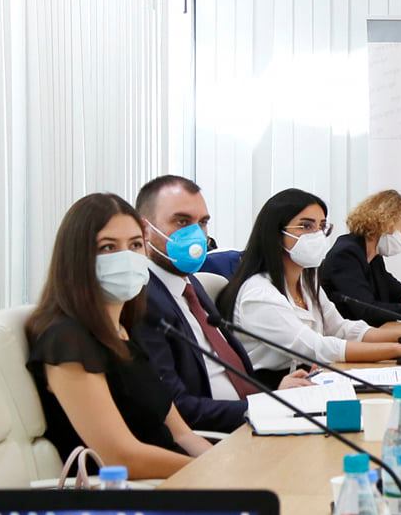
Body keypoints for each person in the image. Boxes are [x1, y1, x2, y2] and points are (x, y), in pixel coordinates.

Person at [27, 193, 212, 479]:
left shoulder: (126, 330)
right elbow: (121, 457)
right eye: (108, 247)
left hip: (177, 479)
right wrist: (211, 474)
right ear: (77, 258)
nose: (126, 256)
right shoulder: (66, 340)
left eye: (135, 245)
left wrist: (228, 467)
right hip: (132, 493)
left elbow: (183, 435)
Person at [130, 174, 311, 435]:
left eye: (202, 222)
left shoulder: (191, 285)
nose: (196, 234)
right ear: (144, 229)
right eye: (182, 221)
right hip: (217, 438)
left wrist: (275, 393)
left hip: (251, 420)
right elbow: (178, 407)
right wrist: (268, 405)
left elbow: (230, 375)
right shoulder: (142, 300)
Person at [219, 188, 401, 382]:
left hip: (305, 379)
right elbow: (317, 347)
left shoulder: (307, 282)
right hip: (272, 390)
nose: (317, 235)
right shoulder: (259, 294)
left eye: (322, 227)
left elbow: (341, 328)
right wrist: (400, 349)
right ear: (276, 233)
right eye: (306, 226)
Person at [323, 189, 401, 327]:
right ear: (385, 223)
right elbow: (366, 310)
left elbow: (400, 291)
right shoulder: (346, 254)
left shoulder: (373, 257)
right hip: (345, 337)